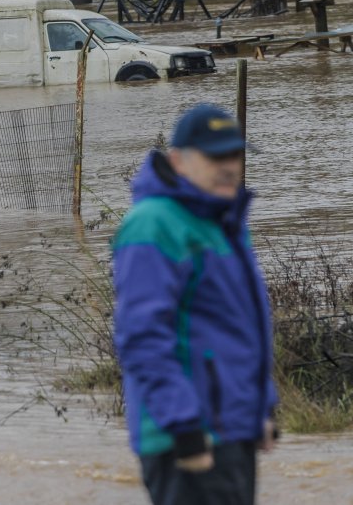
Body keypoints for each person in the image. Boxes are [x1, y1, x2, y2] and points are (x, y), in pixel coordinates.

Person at [112, 103, 278, 505]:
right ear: (178, 161)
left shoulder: (223, 222)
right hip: (188, 434)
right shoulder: (154, 222)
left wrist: (262, 407)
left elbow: (237, 327)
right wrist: (183, 426)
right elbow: (142, 336)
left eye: (235, 154)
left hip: (231, 427)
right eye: (215, 156)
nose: (229, 166)